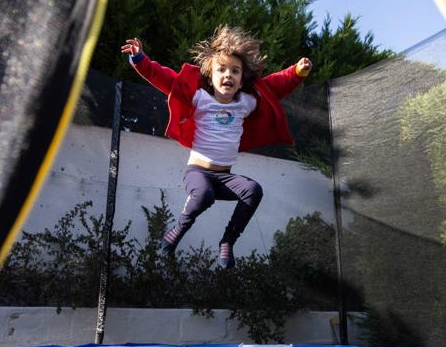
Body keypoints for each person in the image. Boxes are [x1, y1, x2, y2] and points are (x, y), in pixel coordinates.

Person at [121, 25, 312, 268]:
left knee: (253, 190)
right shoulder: (199, 98)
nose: (228, 75)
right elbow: (166, 79)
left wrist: (297, 72)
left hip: (224, 178)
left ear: (242, 80)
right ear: (210, 76)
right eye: (221, 70)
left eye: (235, 71)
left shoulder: (246, 103)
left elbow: (275, 86)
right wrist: (140, 60)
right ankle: (179, 229)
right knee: (203, 195)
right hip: (197, 173)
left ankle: (228, 241)